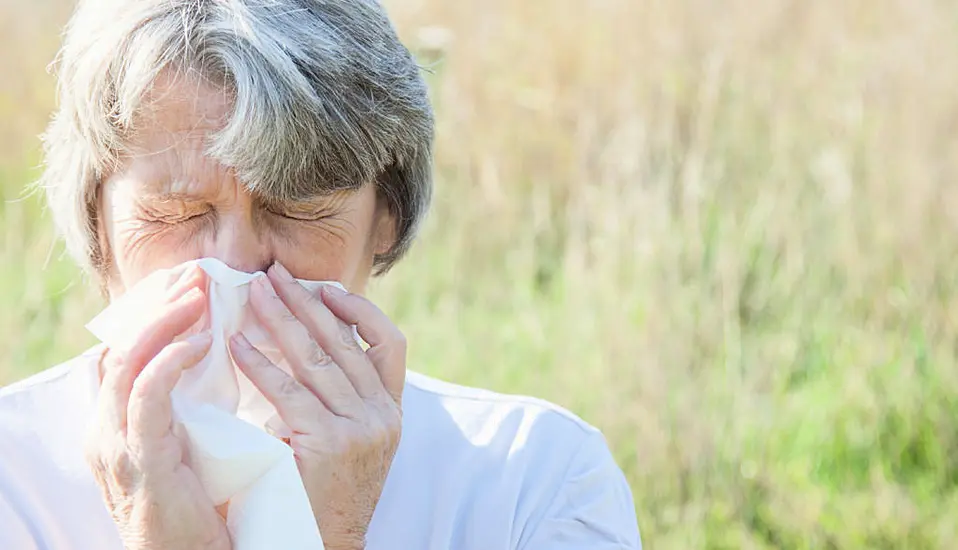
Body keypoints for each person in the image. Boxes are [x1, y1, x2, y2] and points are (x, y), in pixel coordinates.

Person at [0, 0, 641, 548]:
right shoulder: (15, 481)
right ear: (97, 223)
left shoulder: (535, 482)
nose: (235, 264)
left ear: (384, 221)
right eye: (178, 212)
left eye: (296, 209)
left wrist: (321, 532)